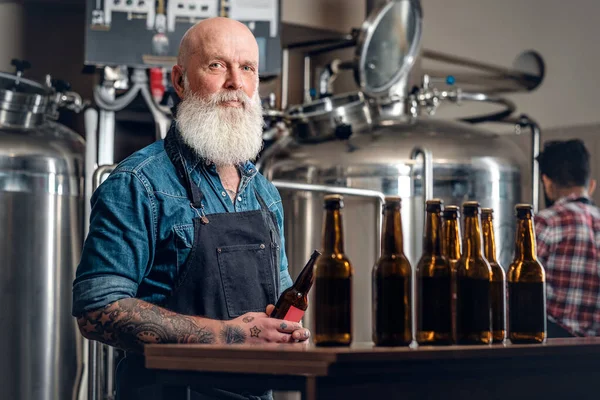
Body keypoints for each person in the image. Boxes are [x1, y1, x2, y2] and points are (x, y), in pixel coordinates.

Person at [72, 17, 310, 400]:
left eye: (247, 68)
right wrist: (231, 336)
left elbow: (278, 304)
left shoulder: (264, 193)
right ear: (180, 81)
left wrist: (286, 332)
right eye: (217, 65)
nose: (235, 82)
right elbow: (97, 309)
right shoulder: (138, 183)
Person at [535, 139, 600, 338]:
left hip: (554, 351)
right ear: (591, 185)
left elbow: (516, 293)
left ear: (546, 182)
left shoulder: (547, 222)